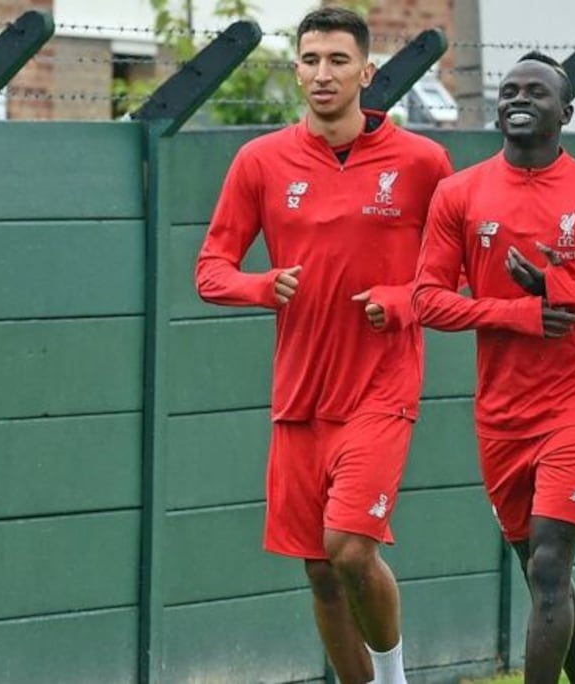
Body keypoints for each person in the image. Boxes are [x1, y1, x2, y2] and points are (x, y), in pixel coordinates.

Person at [194, 7, 452, 684]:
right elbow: (211, 270)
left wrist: (401, 300)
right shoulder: (260, 161)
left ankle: (393, 678)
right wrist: (260, 286)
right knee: (320, 569)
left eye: (338, 60)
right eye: (310, 60)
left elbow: (451, 272)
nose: (322, 73)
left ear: (367, 72)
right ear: (296, 70)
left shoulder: (422, 162)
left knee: (350, 548)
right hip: (300, 395)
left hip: (382, 387)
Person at [412, 52, 575, 683]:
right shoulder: (458, 193)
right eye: (510, 90)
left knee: (550, 566)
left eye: (536, 92)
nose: (519, 99)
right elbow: (427, 300)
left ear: (566, 113)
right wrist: (517, 313)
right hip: (501, 412)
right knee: (542, 575)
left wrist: (564, 292)